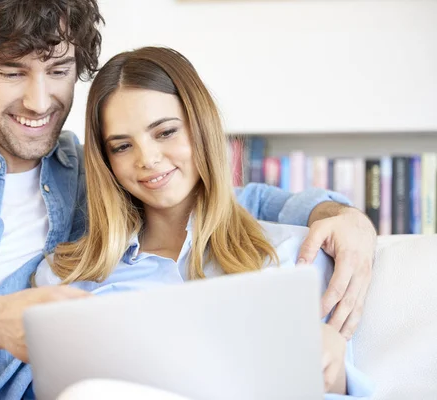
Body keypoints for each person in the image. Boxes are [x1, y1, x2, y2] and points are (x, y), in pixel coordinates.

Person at [0, 0, 374, 398]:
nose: (40, 100)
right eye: (11, 72)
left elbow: (214, 193)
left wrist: (339, 212)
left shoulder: (89, 172)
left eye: (58, 70)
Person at [35, 46, 373, 399]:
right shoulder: (66, 280)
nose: (147, 159)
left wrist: (330, 364)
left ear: (201, 125)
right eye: (122, 146)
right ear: (106, 161)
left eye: (165, 132)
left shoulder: (291, 257)